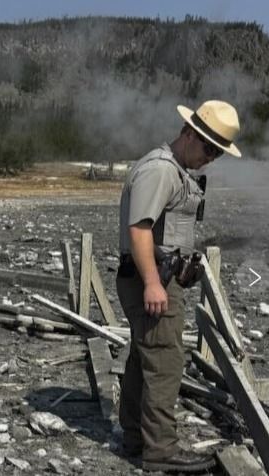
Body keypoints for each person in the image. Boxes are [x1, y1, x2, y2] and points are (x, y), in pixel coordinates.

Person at [116, 100, 241, 473]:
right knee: (166, 361)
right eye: (208, 148)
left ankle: (136, 438)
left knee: (145, 357)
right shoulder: (161, 170)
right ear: (189, 133)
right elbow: (139, 229)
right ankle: (160, 453)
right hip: (150, 278)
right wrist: (154, 283)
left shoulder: (175, 170)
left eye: (217, 152)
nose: (211, 157)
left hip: (157, 275)